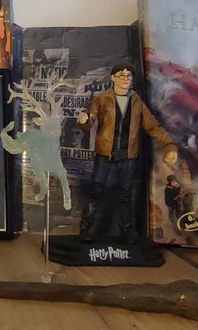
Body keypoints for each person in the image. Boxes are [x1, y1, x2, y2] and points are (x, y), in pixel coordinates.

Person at [76, 63, 177, 244]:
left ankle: (127, 233)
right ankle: (85, 229)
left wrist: (169, 145)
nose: (125, 79)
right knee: (96, 192)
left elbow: (152, 126)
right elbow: (90, 118)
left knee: (125, 195)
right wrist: (84, 121)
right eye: (121, 75)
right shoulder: (103, 98)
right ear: (113, 78)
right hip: (105, 154)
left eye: (128, 75)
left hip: (128, 155)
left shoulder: (136, 101)